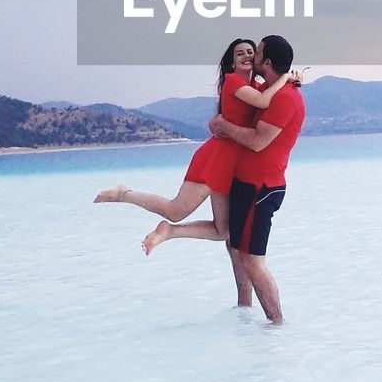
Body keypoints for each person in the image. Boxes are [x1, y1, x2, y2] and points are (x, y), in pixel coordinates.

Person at [144, 34, 305, 324]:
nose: (251, 57)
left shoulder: (283, 97)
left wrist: (223, 125)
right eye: (244, 53)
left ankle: (277, 327)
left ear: (266, 62)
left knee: (252, 262)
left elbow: (257, 141)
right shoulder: (263, 87)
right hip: (242, 180)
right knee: (233, 243)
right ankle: (244, 313)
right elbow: (242, 107)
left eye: (256, 54)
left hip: (261, 187)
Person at [93, 39, 298, 258]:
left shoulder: (256, 87)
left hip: (233, 165)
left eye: (250, 51)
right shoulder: (233, 82)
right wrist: (286, 77)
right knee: (175, 210)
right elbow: (264, 101)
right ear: (232, 62)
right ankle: (124, 194)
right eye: (240, 54)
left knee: (223, 231)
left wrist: (292, 77)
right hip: (216, 158)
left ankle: (169, 231)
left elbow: (268, 96)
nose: (247, 55)